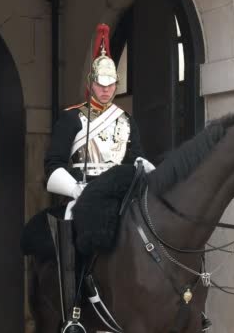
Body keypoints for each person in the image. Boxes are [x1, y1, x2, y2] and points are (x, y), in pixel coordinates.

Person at [44, 23, 154, 213]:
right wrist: (75, 189)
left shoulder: (126, 119)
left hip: (119, 192)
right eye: (100, 84)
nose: (105, 89)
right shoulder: (71, 117)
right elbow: (54, 164)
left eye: (110, 84)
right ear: (90, 83)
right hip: (82, 189)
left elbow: (136, 159)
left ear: (116, 84)